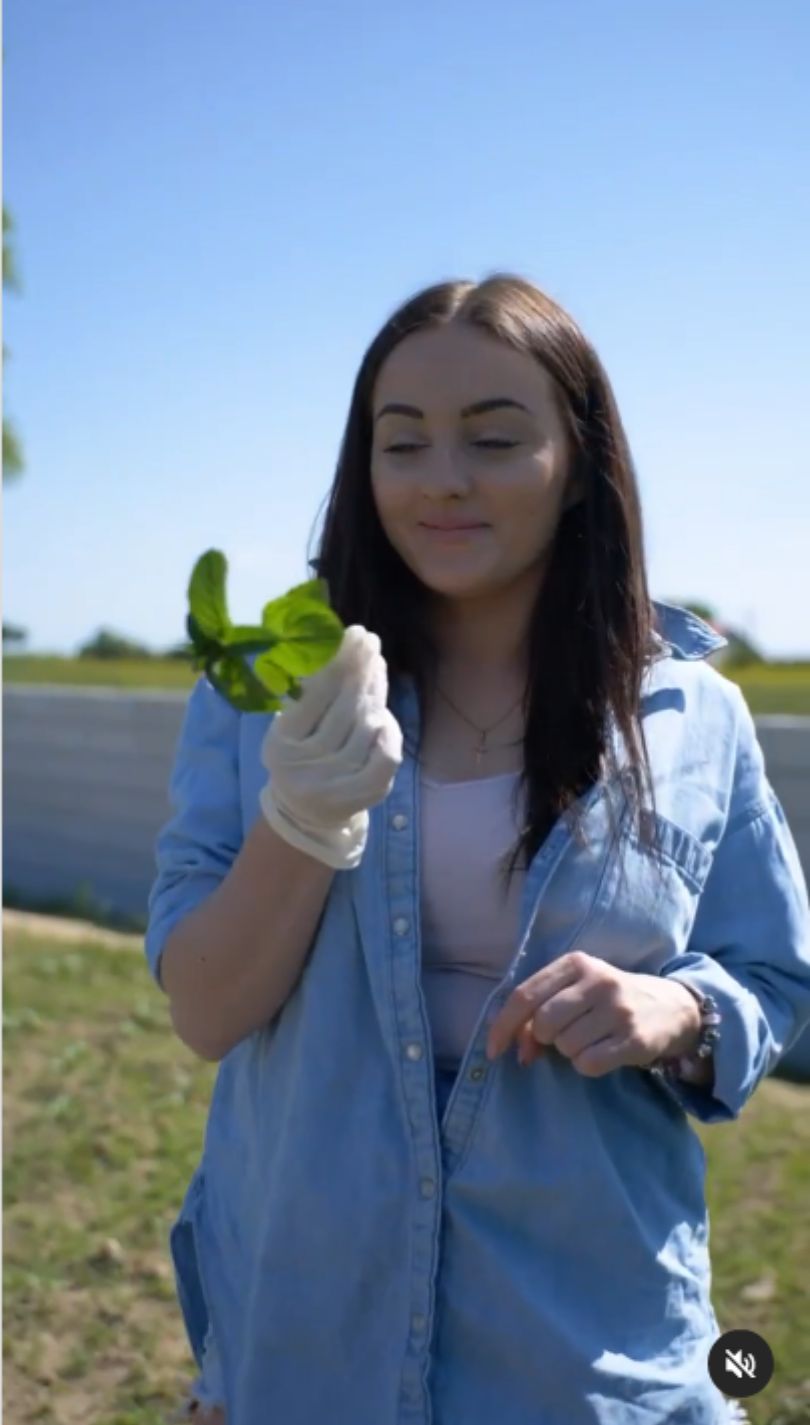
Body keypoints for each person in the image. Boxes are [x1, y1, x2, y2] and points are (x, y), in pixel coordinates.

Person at [147, 274, 810, 1425]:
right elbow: (206, 1011)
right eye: (401, 444)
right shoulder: (267, 694)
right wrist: (302, 822)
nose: (443, 479)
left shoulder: (692, 717)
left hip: (585, 1348)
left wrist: (677, 1015)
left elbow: (774, 979)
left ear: (579, 460)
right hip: (309, 1333)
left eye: (495, 439)